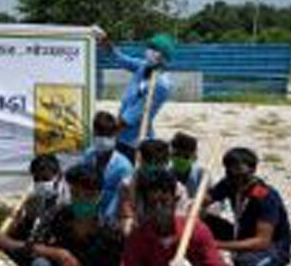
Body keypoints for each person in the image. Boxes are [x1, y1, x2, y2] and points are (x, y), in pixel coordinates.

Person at [204, 147, 291, 266]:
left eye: (240, 174)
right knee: (201, 223)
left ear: (252, 170)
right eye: (230, 172)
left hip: (273, 247)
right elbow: (206, 199)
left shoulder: (265, 197)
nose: (236, 179)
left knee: (246, 264)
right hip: (242, 233)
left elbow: (262, 241)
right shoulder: (229, 184)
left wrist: (217, 245)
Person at [92, 27, 176, 162]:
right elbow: (120, 59)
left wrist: (109, 132)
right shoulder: (143, 67)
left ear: (162, 56)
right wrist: (105, 41)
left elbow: (136, 113)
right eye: (149, 47)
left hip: (134, 139)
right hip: (120, 133)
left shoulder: (161, 84)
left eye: (153, 49)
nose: (148, 51)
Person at [0, 154, 70, 266]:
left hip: (53, 259)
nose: (41, 184)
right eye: (37, 179)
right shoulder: (39, 200)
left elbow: (42, 245)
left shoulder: (65, 206)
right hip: (34, 249)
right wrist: (20, 220)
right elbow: (25, 231)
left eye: (45, 179)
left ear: (59, 176)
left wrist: (9, 243)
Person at [116, 139, 191, 234]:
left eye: (158, 162)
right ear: (141, 161)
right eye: (149, 162)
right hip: (137, 235)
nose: (153, 166)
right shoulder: (127, 185)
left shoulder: (179, 190)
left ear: (167, 162)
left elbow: (180, 219)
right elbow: (124, 218)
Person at [80, 111, 134, 225]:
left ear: (115, 136)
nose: (103, 139)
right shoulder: (88, 156)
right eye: (99, 135)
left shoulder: (123, 167)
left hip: (112, 221)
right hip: (87, 216)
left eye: (107, 135)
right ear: (94, 134)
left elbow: (122, 200)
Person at [171, 132, 205, 197]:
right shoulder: (166, 174)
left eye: (186, 157)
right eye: (177, 155)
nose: (181, 160)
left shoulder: (201, 175)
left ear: (194, 157)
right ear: (170, 155)